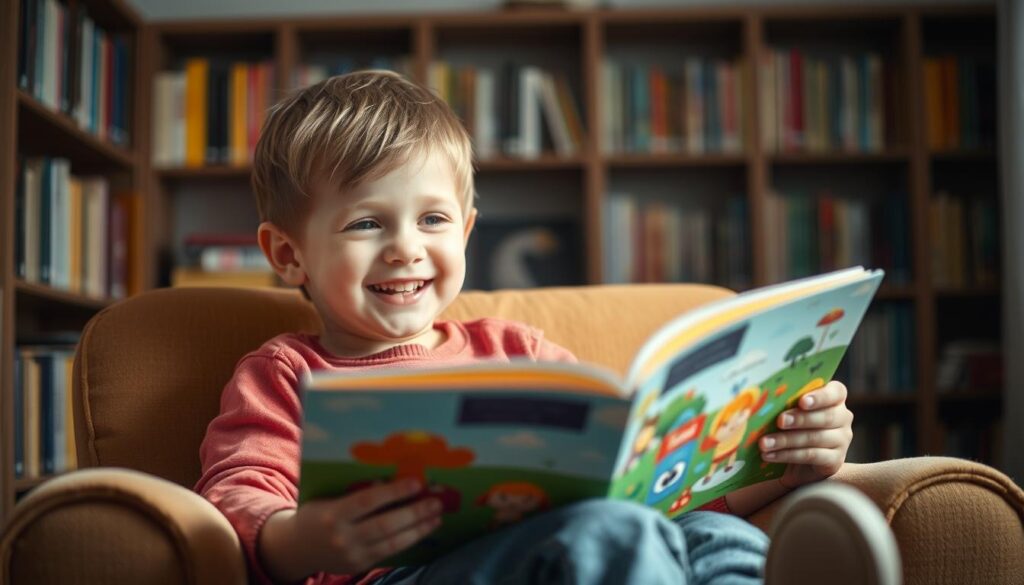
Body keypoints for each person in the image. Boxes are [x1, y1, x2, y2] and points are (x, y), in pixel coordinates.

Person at [195, 70, 900, 585]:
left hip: (585, 549)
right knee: (610, 531)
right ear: (289, 254)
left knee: (706, 529)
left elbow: (643, 482)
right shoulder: (285, 370)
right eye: (366, 222)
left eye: (433, 219)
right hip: (398, 577)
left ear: (467, 231)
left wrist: (781, 460)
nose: (406, 247)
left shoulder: (517, 350)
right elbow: (237, 498)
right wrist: (305, 538)